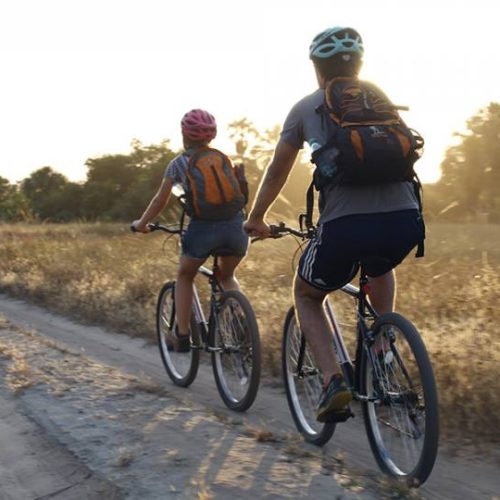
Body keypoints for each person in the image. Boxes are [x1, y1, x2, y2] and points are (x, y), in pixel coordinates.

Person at [244, 27, 425, 422]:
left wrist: (255, 218)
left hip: (344, 224)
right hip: (407, 219)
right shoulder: (380, 98)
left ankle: (332, 382)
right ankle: (380, 343)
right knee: (380, 264)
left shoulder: (306, 107)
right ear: (360, 64)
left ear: (317, 68)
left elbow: (278, 170)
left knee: (307, 294)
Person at [132, 109, 249, 352]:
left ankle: (183, 335)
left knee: (185, 275)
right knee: (226, 276)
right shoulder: (222, 158)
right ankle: (241, 318)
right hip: (236, 228)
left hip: (203, 230)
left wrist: (142, 223)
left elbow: (159, 201)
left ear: (184, 134)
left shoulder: (178, 164)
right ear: (211, 135)